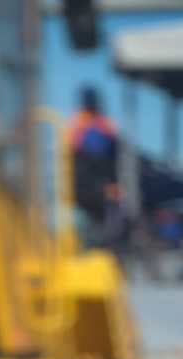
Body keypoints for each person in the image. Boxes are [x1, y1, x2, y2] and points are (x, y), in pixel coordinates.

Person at [65, 86, 121, 247]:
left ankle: (93, 242)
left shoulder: (76, 122)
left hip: (83, 185)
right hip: (93, 185)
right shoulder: (102, 124)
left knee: (95, 223)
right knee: (102, 223)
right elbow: (110, 155)